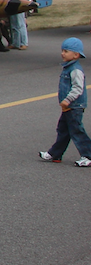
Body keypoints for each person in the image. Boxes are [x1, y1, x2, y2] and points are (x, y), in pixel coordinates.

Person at [38, 37, 91, 167]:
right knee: (63, 130)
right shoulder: (68, 67)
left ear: (76, 54)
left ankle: (88, 155)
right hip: (68, 106)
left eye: (66, 51)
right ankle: (55, 154)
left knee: (76, 130)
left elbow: (78, 88)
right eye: (62, 50)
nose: (63, 53)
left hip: (74, 106)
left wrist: (67, 100)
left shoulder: (75, 70)